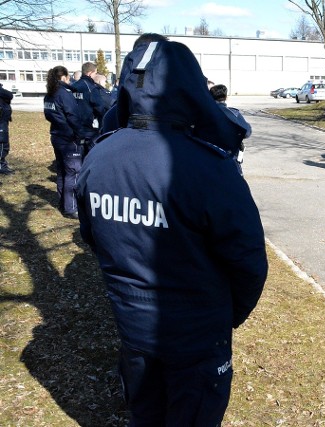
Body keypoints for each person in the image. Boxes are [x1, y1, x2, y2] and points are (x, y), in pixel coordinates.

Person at [75, 38, 268, 426]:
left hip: (132, 325)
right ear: (189, 87)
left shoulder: (99, 156)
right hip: (197, 334)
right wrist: (229, 315)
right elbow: (249, 261)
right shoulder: (208, 167)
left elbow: (94, 237)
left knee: (145, 414)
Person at [43, 66, 84, 219]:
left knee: (62, 171)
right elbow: (73, 116)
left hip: (56, 135)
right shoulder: (64, 94)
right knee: (73, 172)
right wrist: (80, 134)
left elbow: (48, 115)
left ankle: (63, 202)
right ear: (64, 77)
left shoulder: (49, 94)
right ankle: (71, 207)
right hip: (68, 138)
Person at [210, 83, 251, 174]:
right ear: (226, 97)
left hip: (207, 159)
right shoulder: (234, 114)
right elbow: (247, 132)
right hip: (229, 158)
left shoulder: (201, 114)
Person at [72, 62, 108, 155]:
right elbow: (100, 108)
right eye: (95, 73)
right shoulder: (91, 88)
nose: (95, 76)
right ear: (90, 73)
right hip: (88, 128)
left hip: (73, 127)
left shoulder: (73, 86)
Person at [0, 83, 14, 174]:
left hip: (3, 121)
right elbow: (9, 95)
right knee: (2, 145)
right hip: (1, 123)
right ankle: (1, 166)